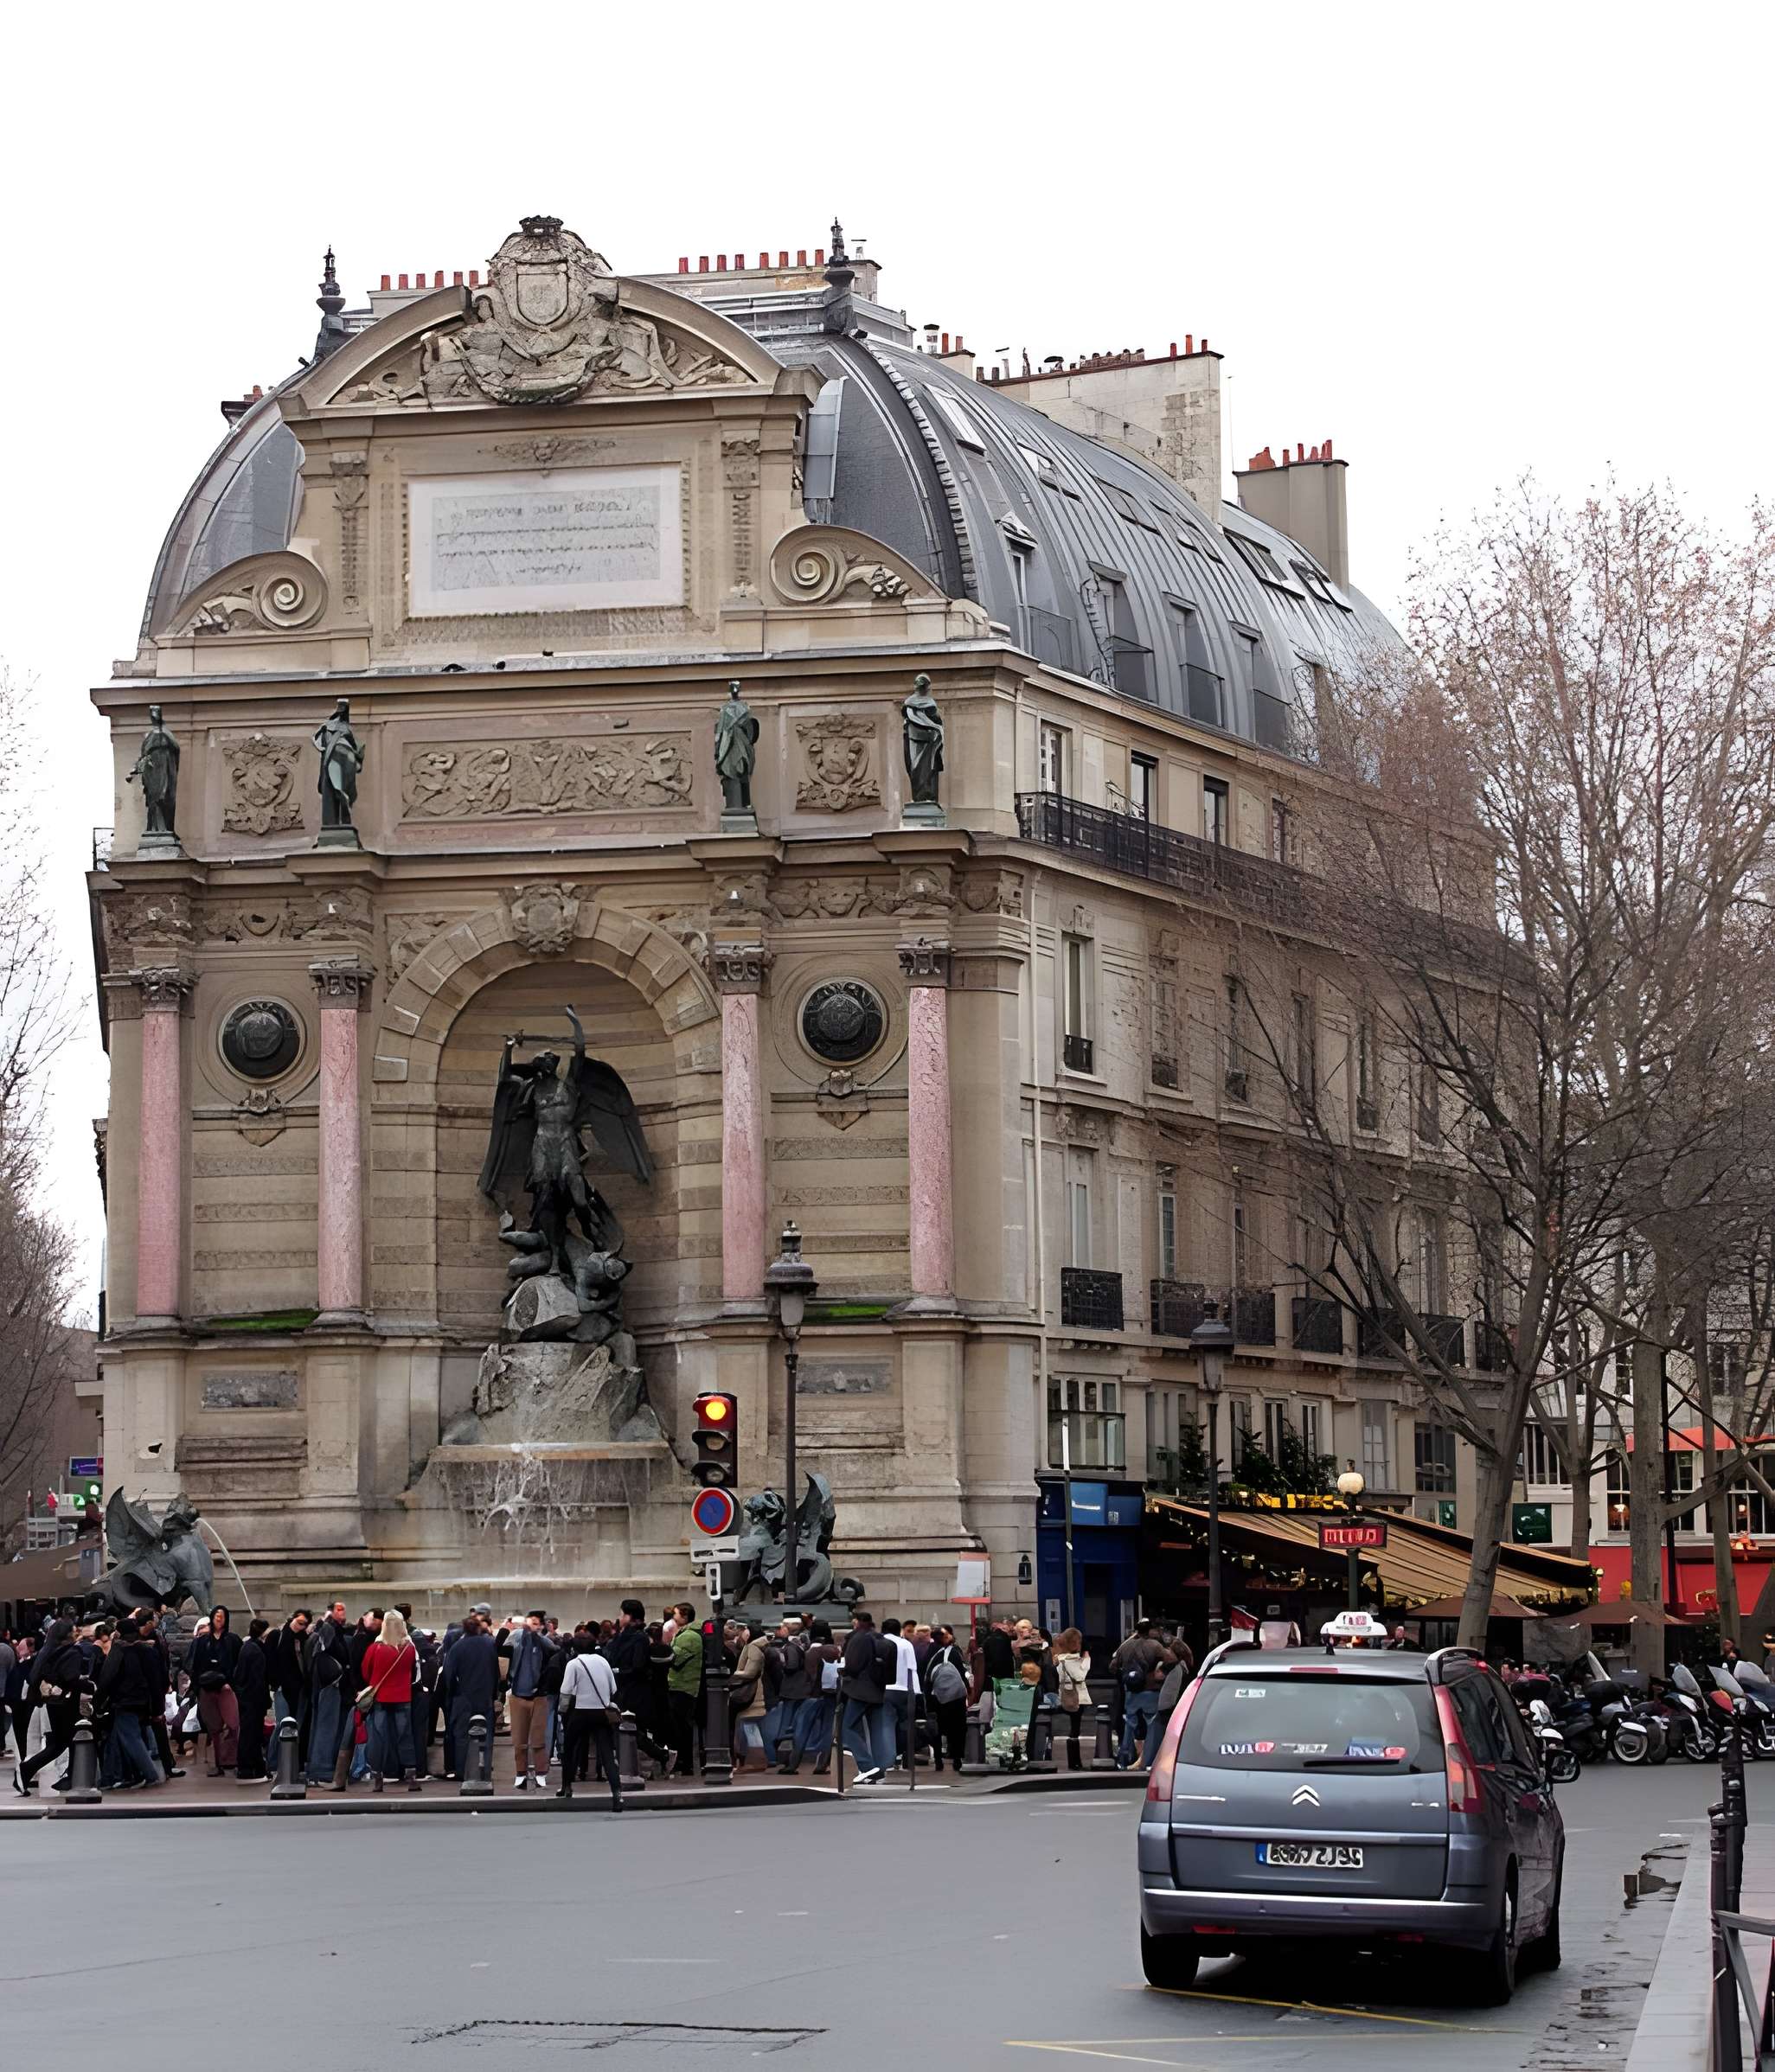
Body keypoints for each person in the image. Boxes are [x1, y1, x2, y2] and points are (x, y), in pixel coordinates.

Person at [15, 1620, 87, 1796]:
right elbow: (70, 1678)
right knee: (69, 1742)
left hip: (52, 1704)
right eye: (73, 1630)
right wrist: (88, 1686)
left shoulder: (48, 1651)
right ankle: (70, 1777)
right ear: (68, 1635)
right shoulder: (72, 1652)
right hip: (67, 1704)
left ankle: (32, 1770)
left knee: (59, 1744)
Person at [97, 1621, 163, 1790]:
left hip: (124, 1701)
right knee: (120, 1739)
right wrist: (157, 1708)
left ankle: (150, 1774)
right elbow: (156, 1680)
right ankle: (117, 1776)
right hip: (143, 1701)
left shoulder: (119, 1650)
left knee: (130, 1738)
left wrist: (97, 1702)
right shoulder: (147, 1650)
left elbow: (107, 1677)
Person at [359, 1608, 421, 1792]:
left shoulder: (375, 1648)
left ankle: (378, 1776)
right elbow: (413, 1672)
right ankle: (411, 1776)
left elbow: (366, 1672)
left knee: (379, 1738)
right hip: (403, 1697)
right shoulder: (409, 1649)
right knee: (405, 1737)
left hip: (381, 1698)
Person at [557, 1636, 622, 1807]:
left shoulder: (574, 1664)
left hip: (580, 1712)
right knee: (607, 1752)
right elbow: (613, 1688)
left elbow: (566, 1692)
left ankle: (566, 1786)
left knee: (570, 1749)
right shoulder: (603, 1662)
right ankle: (617, 1793)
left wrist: (562, 1713)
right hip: (601, 1712)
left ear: (574, 1649)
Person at [438, 1614, 501, 1782]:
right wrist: (494, 1694)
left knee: (462, 1736)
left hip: (463, 1697)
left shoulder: (457, 1647)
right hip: (485, 1696)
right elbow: (496, 1671)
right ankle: (484, 1770)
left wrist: (451, 1694)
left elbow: (449, 1674)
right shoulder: (489, 1645)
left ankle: (462, 1771)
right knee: (486, 1736)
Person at [606, 1600, 666, 1771]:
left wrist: (617, 1671)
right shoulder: (622, 1636)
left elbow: (638, 1666)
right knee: (624, 1727)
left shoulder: (639, 1638)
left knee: (629, 1727)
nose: (619, 1617)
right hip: (622, 1689)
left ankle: (660, 1755)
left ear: (630, 1616)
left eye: (622, 1614)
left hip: (634, 1691)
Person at [501, 1610, 556, 1791]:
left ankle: (540, 1773)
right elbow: (502, 1650)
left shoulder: (545, 1642)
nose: (530, 1625)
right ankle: (520, 1773)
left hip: (539, 1696)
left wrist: (538, 1635)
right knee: (519, 1739)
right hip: (518, 1695)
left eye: (535, 1622)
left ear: (541, 1625)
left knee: (539, 1738)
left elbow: (553, 1650)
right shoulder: (516, 1636)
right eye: (529, 1621)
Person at [1109, 1619, 1175, 1769]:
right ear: (1150, 1630)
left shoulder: (1125, 1646)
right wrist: (1161, 1672)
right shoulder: (1154, 1645)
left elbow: (1112, 1667)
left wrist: (1126, 1675)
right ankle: (1149, 1760)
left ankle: (1124, 1759)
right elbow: (1171, 1660)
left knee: (1129, 1725)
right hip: (1150, 1690)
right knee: (1152, 1725)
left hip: (1131, 1691)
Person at [186, 1603, 243, 1776]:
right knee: (213, 1727)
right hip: (206, 1688)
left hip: (226, 1688)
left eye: (222, 1616)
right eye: (216, 1616)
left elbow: (239, 1664)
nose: (219, 1619)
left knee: (233, 1724)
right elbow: (193, 1665)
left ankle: (230, 1760)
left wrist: (232, 1684)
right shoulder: (202, 1641)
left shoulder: (233, 1640)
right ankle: (216, 1763)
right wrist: (198, 1686)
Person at [839, 1609, 895, 1781]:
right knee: (876, 1730)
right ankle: (880, 1768)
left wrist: (844, 1670)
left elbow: (853, 1666)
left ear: (857, 1622)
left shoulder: (858, 1638)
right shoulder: (883, 1640)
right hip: (878, 1689)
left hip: (859, 1690)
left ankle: (867, 1766)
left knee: (847, 1728)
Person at [783, 1620, 841, 1775]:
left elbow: (809, 1675)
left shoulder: (812, 1652)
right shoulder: (837, 1650)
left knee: (802, 1729)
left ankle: (793, 1764)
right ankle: (822, 1765)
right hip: (832, 1694)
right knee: (827, 1731)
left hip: (813, 1695)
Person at [305, 1602, 354, 1785]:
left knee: (323, 1726)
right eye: (339, 1609)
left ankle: (319, 1767)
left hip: (327, 1685)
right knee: (326, 1727)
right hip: (330, 1685)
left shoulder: (325, 1633)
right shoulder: (328, 1632)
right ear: (330, 1613)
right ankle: (321, 1769)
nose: (343, 1612)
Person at [926, 1624, 972, 1774]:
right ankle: (957, 1759)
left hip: (934, 1696)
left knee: (937, 1728)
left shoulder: (928, 1652)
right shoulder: (952, 1652)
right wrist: (968, 1691)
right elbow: (960, 1673)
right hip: (955, 1698)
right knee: (957, 1728)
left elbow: (926, 1676)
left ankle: (938, 1760)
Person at [879, 1617, 921, 1771]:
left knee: (886, 1725)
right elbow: (912, 1669)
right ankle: (907, 1757)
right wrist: (916, 1692)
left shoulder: (879, 1643)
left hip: (884, 1690)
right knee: (906, 1725)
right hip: (904, 1689)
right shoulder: (906, 1644)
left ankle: (889, 1760)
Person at [234, 1619, 272, 1782]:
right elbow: (258, 1681)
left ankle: (252, 1767)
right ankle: (249, 1769)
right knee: (252, 1735)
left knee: (249, 1734)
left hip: (246, 1698)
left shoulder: (247, 1648)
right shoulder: (256, 1651)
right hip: (253, 1700)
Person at [667, 1602, 702, 1777]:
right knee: (680, 1728)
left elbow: (675, 1658)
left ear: (685, 1616)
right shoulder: (685, 1634)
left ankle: (684, 1763)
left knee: (681, 1728)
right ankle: (683, 1762)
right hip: (682, 1685)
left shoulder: (689, 1637)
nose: (673, 1617)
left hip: (683, 1686)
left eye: (676, 1614)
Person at [729, 1622, 771, 1768]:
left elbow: (750, 1672)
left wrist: (733, 1674)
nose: (743, 1632)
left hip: (752, 1692)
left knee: (749, 1725)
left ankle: (756, 1759)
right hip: (756, 1690)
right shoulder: (759, 1646)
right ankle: (756, 1759)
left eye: (746, 1630)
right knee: (750, 1725)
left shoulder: (753, 1648)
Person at [1053, 1628, 1093, 1772]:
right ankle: (1074, 1762)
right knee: (1074, 1731)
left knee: (1074, 1729)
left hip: (1067, 1695)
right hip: (1075, 1698)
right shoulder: (1069, 1660)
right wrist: (1087, 1659)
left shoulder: (1060, 1659)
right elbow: (1080, 1676)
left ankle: (1075, 1761)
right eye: (1078, 1641)